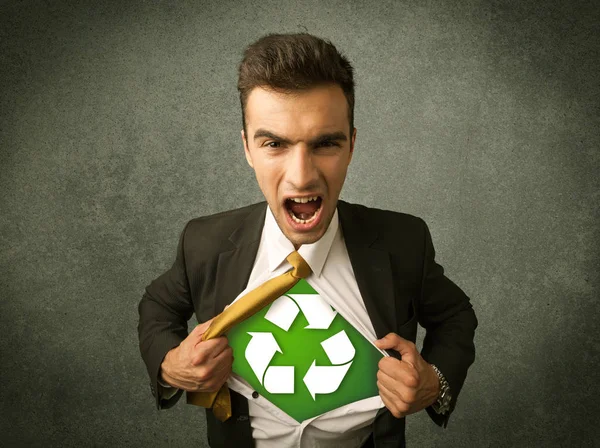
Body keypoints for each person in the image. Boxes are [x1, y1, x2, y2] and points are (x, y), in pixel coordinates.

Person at [137, 32, 478, 448]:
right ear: (247, 148)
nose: (301, 176)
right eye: (274, 144)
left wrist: (435, 382)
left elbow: (456, 315)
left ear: (351, 145)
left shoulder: (403, 242)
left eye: (325, 143)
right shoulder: (204, 242)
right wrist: (171, 366)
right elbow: (158, 306)